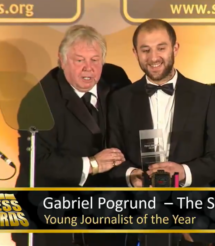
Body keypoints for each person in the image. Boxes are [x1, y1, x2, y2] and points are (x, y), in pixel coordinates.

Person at [107, 19, 215, 245]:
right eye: (145, 50)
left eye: (161, 48)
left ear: (175, 48)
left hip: (194, 218)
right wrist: (132, 176)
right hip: (140, 219)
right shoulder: (119, 100)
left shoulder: (206, 96)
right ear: (135, 53)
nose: (153, 58)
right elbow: (113, 159)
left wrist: (183, 171)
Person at [14, 24, 129, 246]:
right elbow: (37, 164)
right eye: (79, 60)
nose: (88, 68)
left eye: (95, 60)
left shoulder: (116, 79)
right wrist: (93, 164)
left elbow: (135, 122)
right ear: (62, 59)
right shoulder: (37, 102)